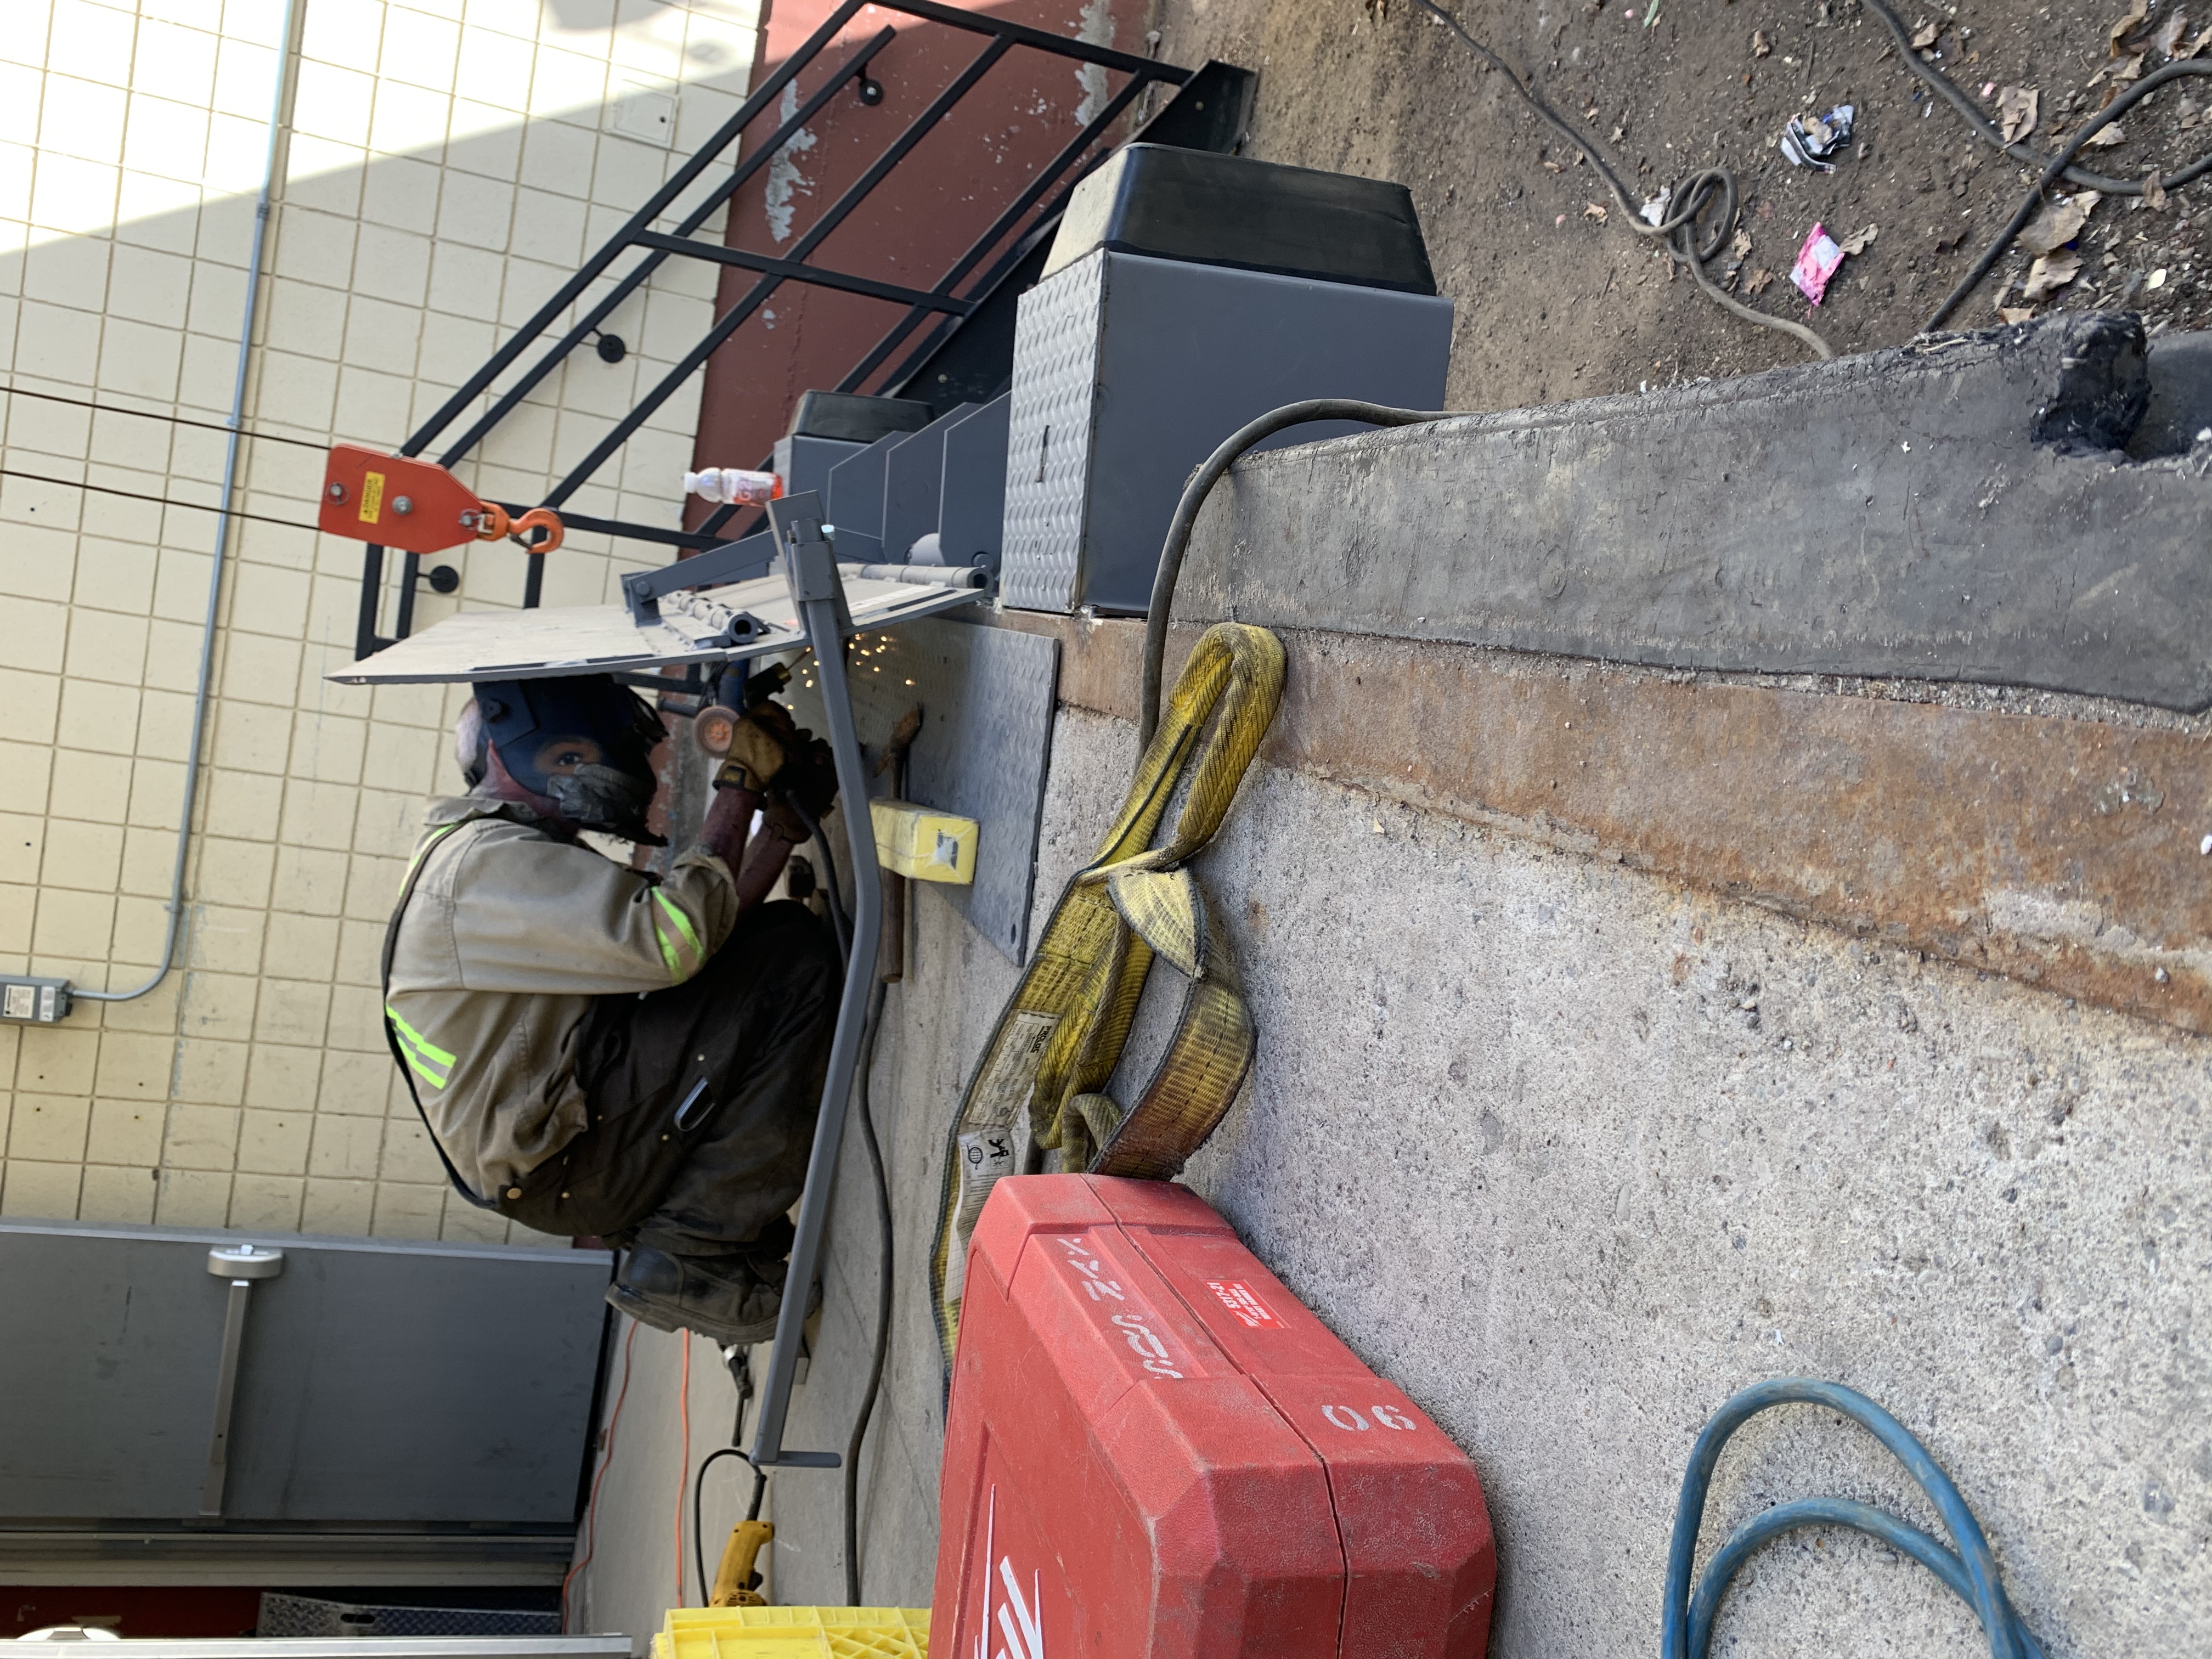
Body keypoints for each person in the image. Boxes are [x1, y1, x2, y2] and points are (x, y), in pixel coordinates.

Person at [381, 672, 840, 1344]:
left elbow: (698, 941)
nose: (623, 772)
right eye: (576, 756)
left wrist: (778, 829)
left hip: (554, 1138)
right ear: (537, 755)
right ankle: (694, 1256)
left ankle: (698, 1229)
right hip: (562, 1160)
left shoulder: (494, 853)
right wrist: (738, 784)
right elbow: (673, 941)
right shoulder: (482, 867)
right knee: (793, 961)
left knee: (772, 946)